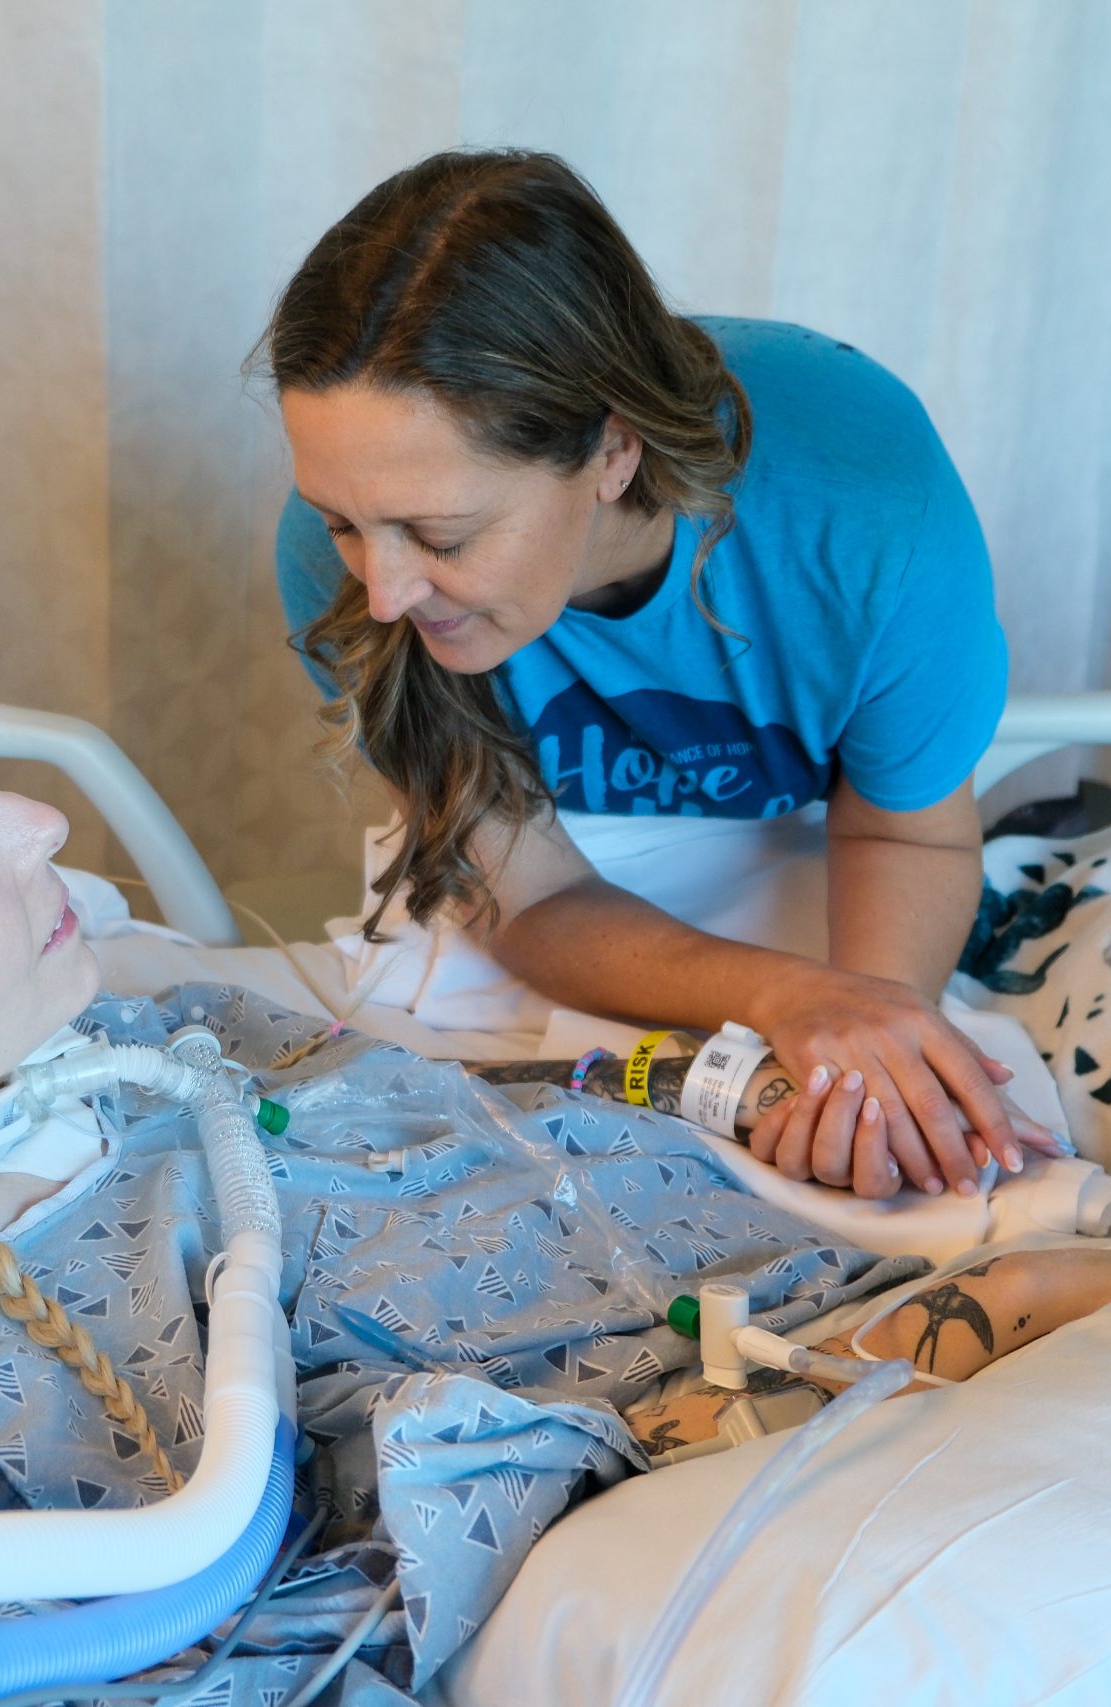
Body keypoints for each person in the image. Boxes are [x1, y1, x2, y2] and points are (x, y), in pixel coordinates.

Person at [0, 640, 1111, 1481]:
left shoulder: (117, 1032)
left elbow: (436, 1091)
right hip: (801, 1382)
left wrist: (727, 1102)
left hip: (770, 1232)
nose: (47, 821)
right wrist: (956, 1306)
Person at [265, 148, 1035, 1204]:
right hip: (559, 925)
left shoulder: (867, 524)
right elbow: (531, 900)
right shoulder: (340, 567)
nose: (385, 591)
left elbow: (904, 828)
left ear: (614, 453)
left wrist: (865, 1047)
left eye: (440, 535)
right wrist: (785, 995)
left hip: (834, 871)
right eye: (343, 521)